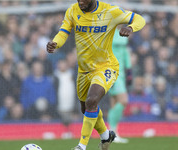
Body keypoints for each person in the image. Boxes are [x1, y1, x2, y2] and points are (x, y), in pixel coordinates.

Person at [47, 0, 145, 150]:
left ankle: (81, 146)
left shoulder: (110, 12)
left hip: (106, 66)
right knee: (86, 108)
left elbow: (140, 19)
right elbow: (63, 32)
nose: (81, 2)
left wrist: (131, 27)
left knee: (92, 100)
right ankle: (106, 136)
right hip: (84, 70)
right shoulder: (73, 11)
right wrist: (55, 43)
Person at [107, 28, 131, 143]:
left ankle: (112, 133)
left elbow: (125, 52)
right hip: (113, 71)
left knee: (115, 102)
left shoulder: (122, 32)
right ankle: (110, 132)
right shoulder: (109, 32)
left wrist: (129, 69)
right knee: (123, 100)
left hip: (121, 73)